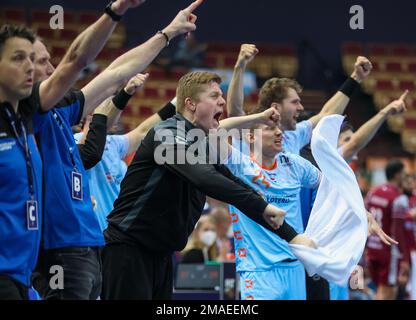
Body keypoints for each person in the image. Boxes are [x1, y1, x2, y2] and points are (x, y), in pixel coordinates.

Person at [31, 0, 206, 300]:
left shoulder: (61, 112)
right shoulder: (28, 113)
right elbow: (77, 60)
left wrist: (168, 32)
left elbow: (114, 73)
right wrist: (116, 10)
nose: (51, 67)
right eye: (39, 60)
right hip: (59, 251)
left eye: (50, 60)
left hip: (91, 247)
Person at [101, 71, 315, 300]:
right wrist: (263, 207)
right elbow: (205, 178)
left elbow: (232, 180)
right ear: (190, 104)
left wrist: (291, 235)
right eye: (214, 96)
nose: (222, 101)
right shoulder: (166, 134)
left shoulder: (200, 143)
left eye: (222, 96)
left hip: (161, 255)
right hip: (128, 250)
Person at [74, 79, 177, 231]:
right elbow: (97, 131)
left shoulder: (113, 143)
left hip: (115, 236)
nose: (119, 114)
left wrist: (175, 103)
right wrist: (124, 95)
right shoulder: (74, 143)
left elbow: (144, 130)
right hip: (91, 237)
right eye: (111, 108)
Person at [365, 159, 407, 300]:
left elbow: (364, 218)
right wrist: (405, 258)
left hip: (372, 248)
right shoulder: (398, 198)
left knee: (380, 290)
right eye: (403, 173)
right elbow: (399, 232)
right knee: (387, 292)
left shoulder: (372, 192)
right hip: (389, 251)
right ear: (397, 174)